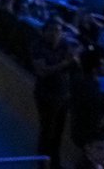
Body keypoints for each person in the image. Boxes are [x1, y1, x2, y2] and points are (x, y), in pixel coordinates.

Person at [31, 18, 79, 169]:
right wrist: (64, 63)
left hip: (63, 96)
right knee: (47, 131)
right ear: (44, 32)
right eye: (51, 30)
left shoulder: (65, 45)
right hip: (46, 96)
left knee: (58, 132)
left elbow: (73, 64)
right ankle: (43, 163)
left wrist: (74, 61)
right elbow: (42, 71)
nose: (54, 34)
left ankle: (55, 163)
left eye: (58, 30)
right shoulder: (37, 47)